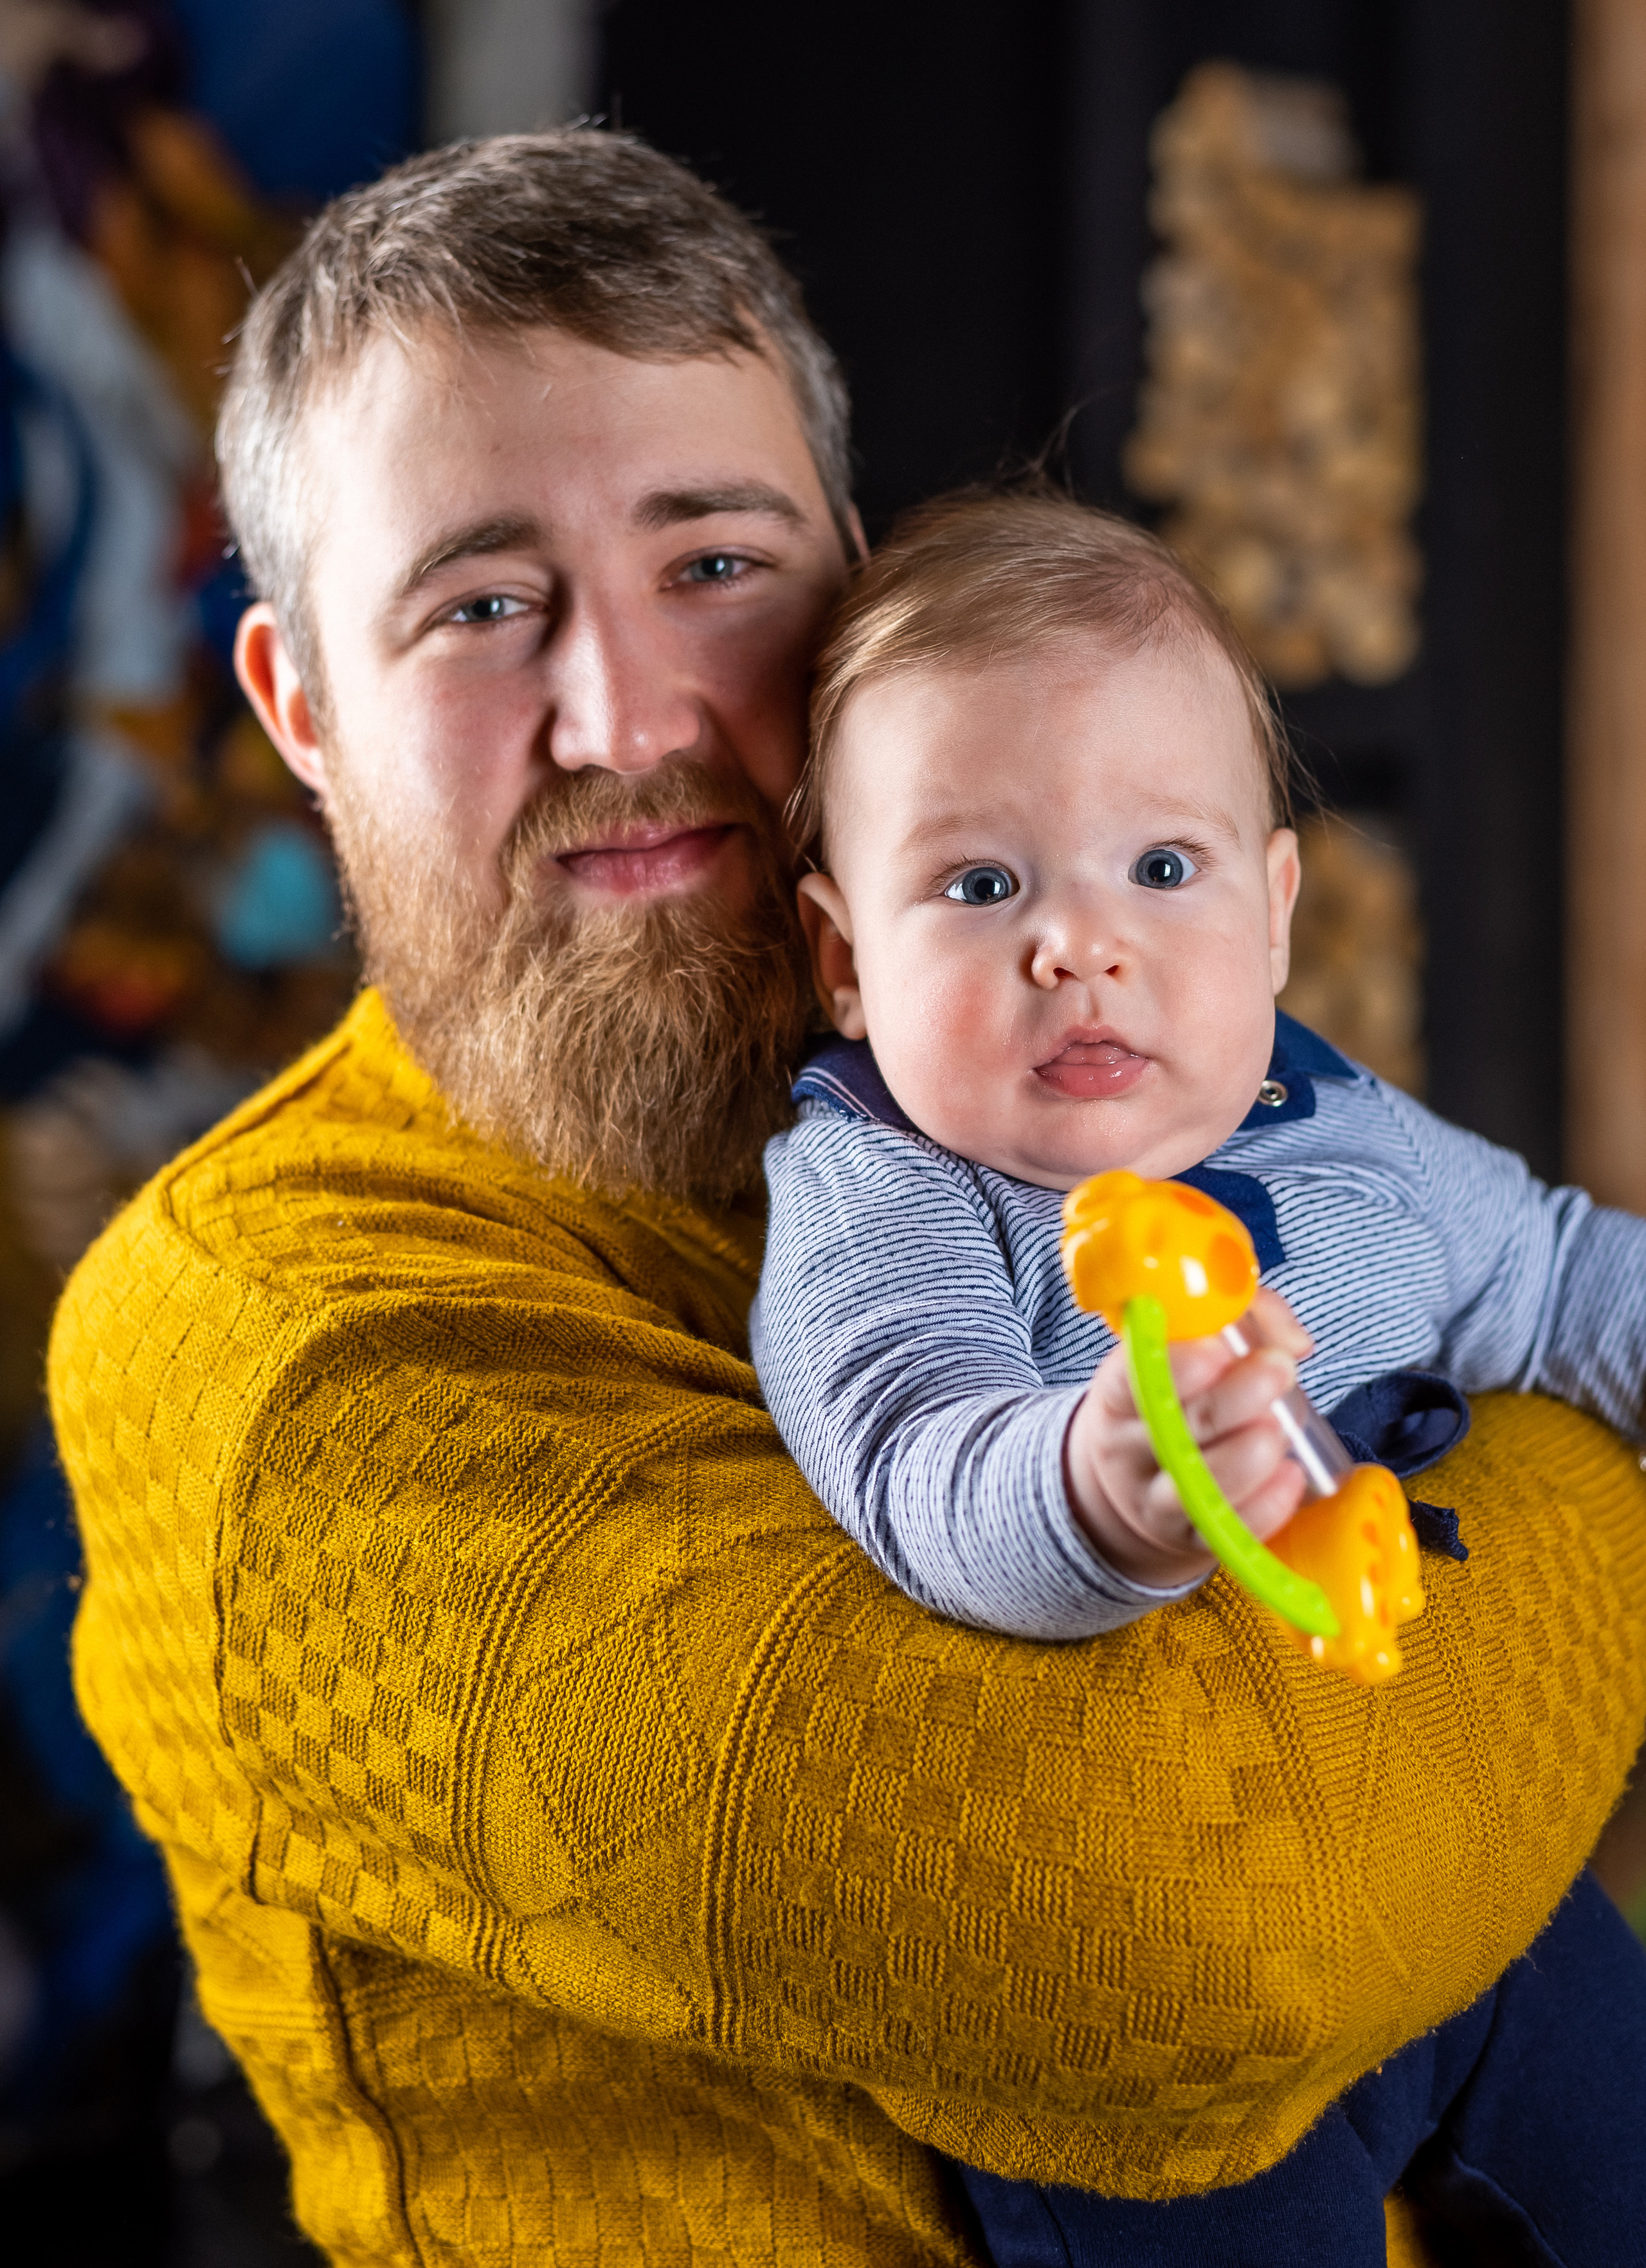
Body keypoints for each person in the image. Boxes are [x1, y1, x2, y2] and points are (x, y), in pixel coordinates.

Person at [43, 130, 1646, 2268]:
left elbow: (1513, 1274)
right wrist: (1535, 1460)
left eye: (715, 565)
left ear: (861, 599)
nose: (626, 715)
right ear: (302, 707)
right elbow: (1195, 1939)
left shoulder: (1029, 1073)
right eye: (482, 608)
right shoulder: (264, 1340)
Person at [750, 487, 1646, 2264]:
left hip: (1453, 1854)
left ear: (1276, 911)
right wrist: (1097, 1490)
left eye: (1163, 870)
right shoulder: (890, 1185)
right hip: (1151, 1980)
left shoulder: (1334, 1120)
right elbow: (914, 1448)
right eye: (981, 885)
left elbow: (1551, 1276)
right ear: (845, 960)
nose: (1080, 945)